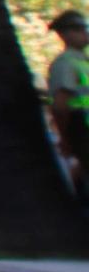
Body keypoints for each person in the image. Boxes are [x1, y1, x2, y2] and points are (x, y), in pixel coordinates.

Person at [47, 11, 88, 198]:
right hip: (83, 130)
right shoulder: (65, 64)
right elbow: (60, 106)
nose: (85, 33)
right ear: (65, 34)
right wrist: (65, 139)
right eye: (79, 29)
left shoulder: (83, 61)